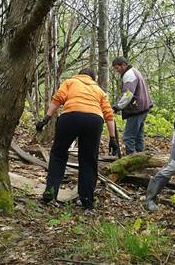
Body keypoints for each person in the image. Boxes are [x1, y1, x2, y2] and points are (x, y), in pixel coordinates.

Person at [36, 68, 117, 210]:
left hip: (70, 117)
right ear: (92, 78)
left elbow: (57, 99)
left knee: (58, 154)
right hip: (94, 120)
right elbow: (109, 115)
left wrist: (46, 119)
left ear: (80, 74)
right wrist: (113, 138)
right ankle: (86, 201)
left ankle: (50, 194)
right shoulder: (99, 90)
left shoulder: (70, 82)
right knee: (88, 160)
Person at [111, 57, 153, 155]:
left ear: (124, 65)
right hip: (144, 107)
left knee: (128, 137)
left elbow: (128, 94)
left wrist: (117, 106)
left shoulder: (129, 75)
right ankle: (140, 157)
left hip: (137, 109)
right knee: (139, 135)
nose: (117, 71)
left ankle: (131, 159)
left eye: (117, 68)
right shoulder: (134, 71)